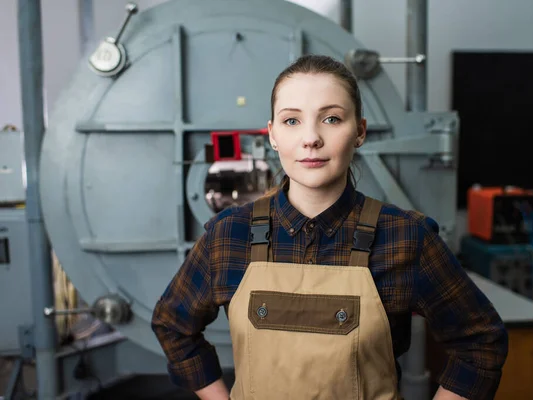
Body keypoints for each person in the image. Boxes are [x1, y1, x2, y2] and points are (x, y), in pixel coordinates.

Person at [151, 54, 509, 400]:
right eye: (292, 121)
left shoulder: (405, 238)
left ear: (360, 132)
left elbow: (481, 342)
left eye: (332, 119)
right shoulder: (229, 236)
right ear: (273, 135)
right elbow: (173, 324)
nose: (311, 138)